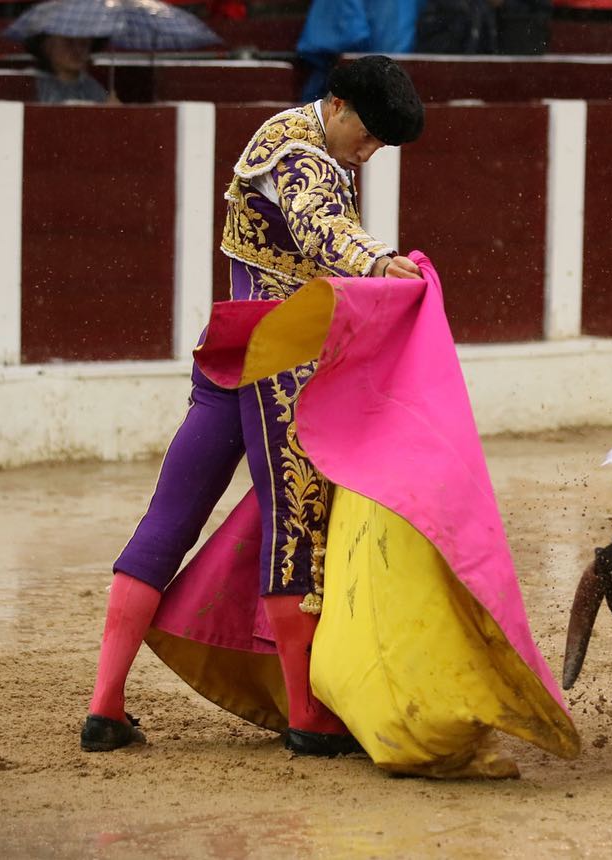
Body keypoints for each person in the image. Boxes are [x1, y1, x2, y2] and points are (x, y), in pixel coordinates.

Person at [80, 55, 425, 756]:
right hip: (280, 365)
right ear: (337, 105)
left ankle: (105, 705)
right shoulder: (306, 158)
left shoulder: (279, 132)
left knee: (168, 517)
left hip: (230, 347)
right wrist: (377, 260)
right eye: (368, 136)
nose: (369, 152)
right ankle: (306, 713)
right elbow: (320, 225)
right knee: (293, 525)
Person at [25, 34, 111, 104]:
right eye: (68, 43)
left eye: (83, 44)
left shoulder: (93, 87)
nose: (77, 50)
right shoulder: (30, 82)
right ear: (47, 45)